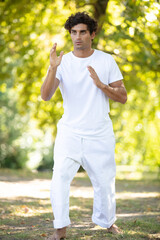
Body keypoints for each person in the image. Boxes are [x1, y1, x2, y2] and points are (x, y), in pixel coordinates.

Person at [41, 11, 127, 240]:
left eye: (82, 32)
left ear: (92, 34)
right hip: (69, 131)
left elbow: (123, 96)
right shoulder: (62, 62)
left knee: (105, 180)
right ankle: (60, 228)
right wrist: (52, 68)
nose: (77, 37)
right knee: (59, 177)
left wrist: (102, 86)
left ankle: (107, 222)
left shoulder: (106, 60)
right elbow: (45, 95)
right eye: (73, 32)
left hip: (99, 132)